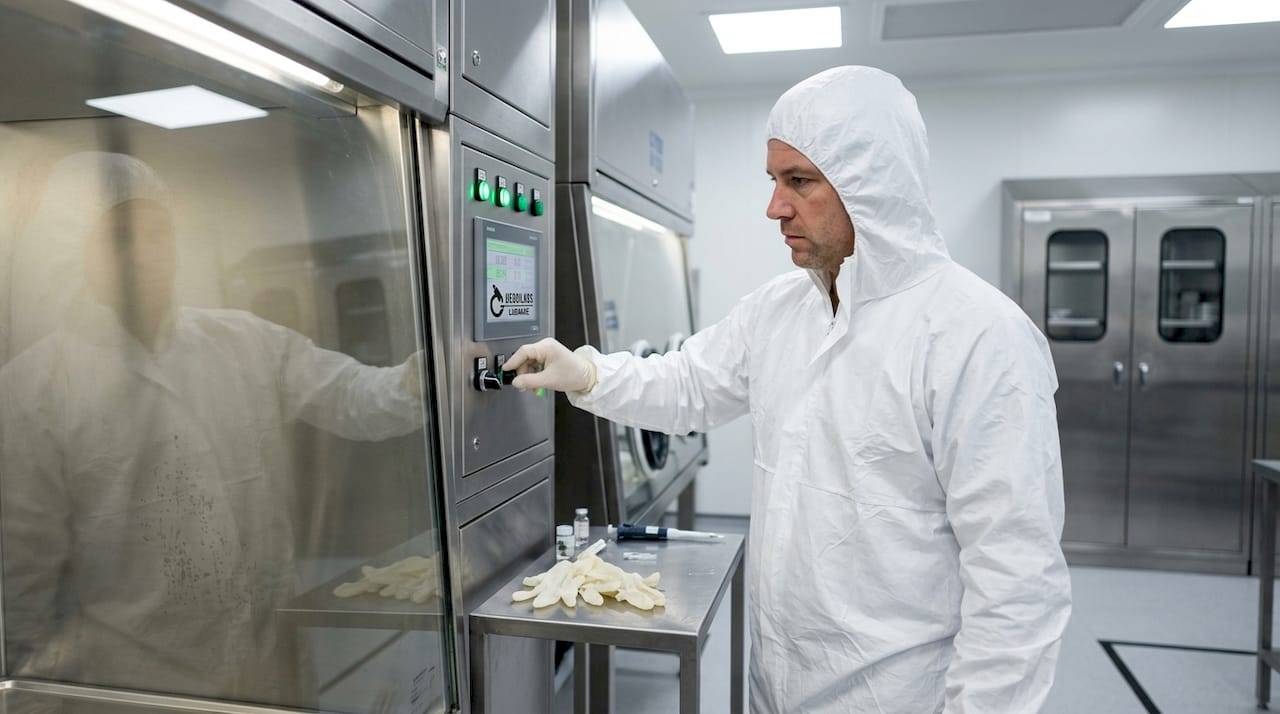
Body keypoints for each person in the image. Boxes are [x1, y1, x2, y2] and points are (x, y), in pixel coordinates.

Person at [504, 66, 1072, 712]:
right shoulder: (781, 312)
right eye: (774, 181)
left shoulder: (978, 339)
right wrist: (588, 372)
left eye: (799, 181)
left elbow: (1017, 586)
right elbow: (688, 383)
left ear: (872, 184)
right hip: (776, 688)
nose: (775, 207)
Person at [0, 152, 425, 705]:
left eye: (160, 233)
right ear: (78, 250)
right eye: (123, 238)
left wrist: (430, 375)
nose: (149, 255)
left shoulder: (240, 342)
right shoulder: (33, 391)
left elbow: (355, 396)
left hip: (270, 660)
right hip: (136, 689)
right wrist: (30, 698)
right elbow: (23, 578)